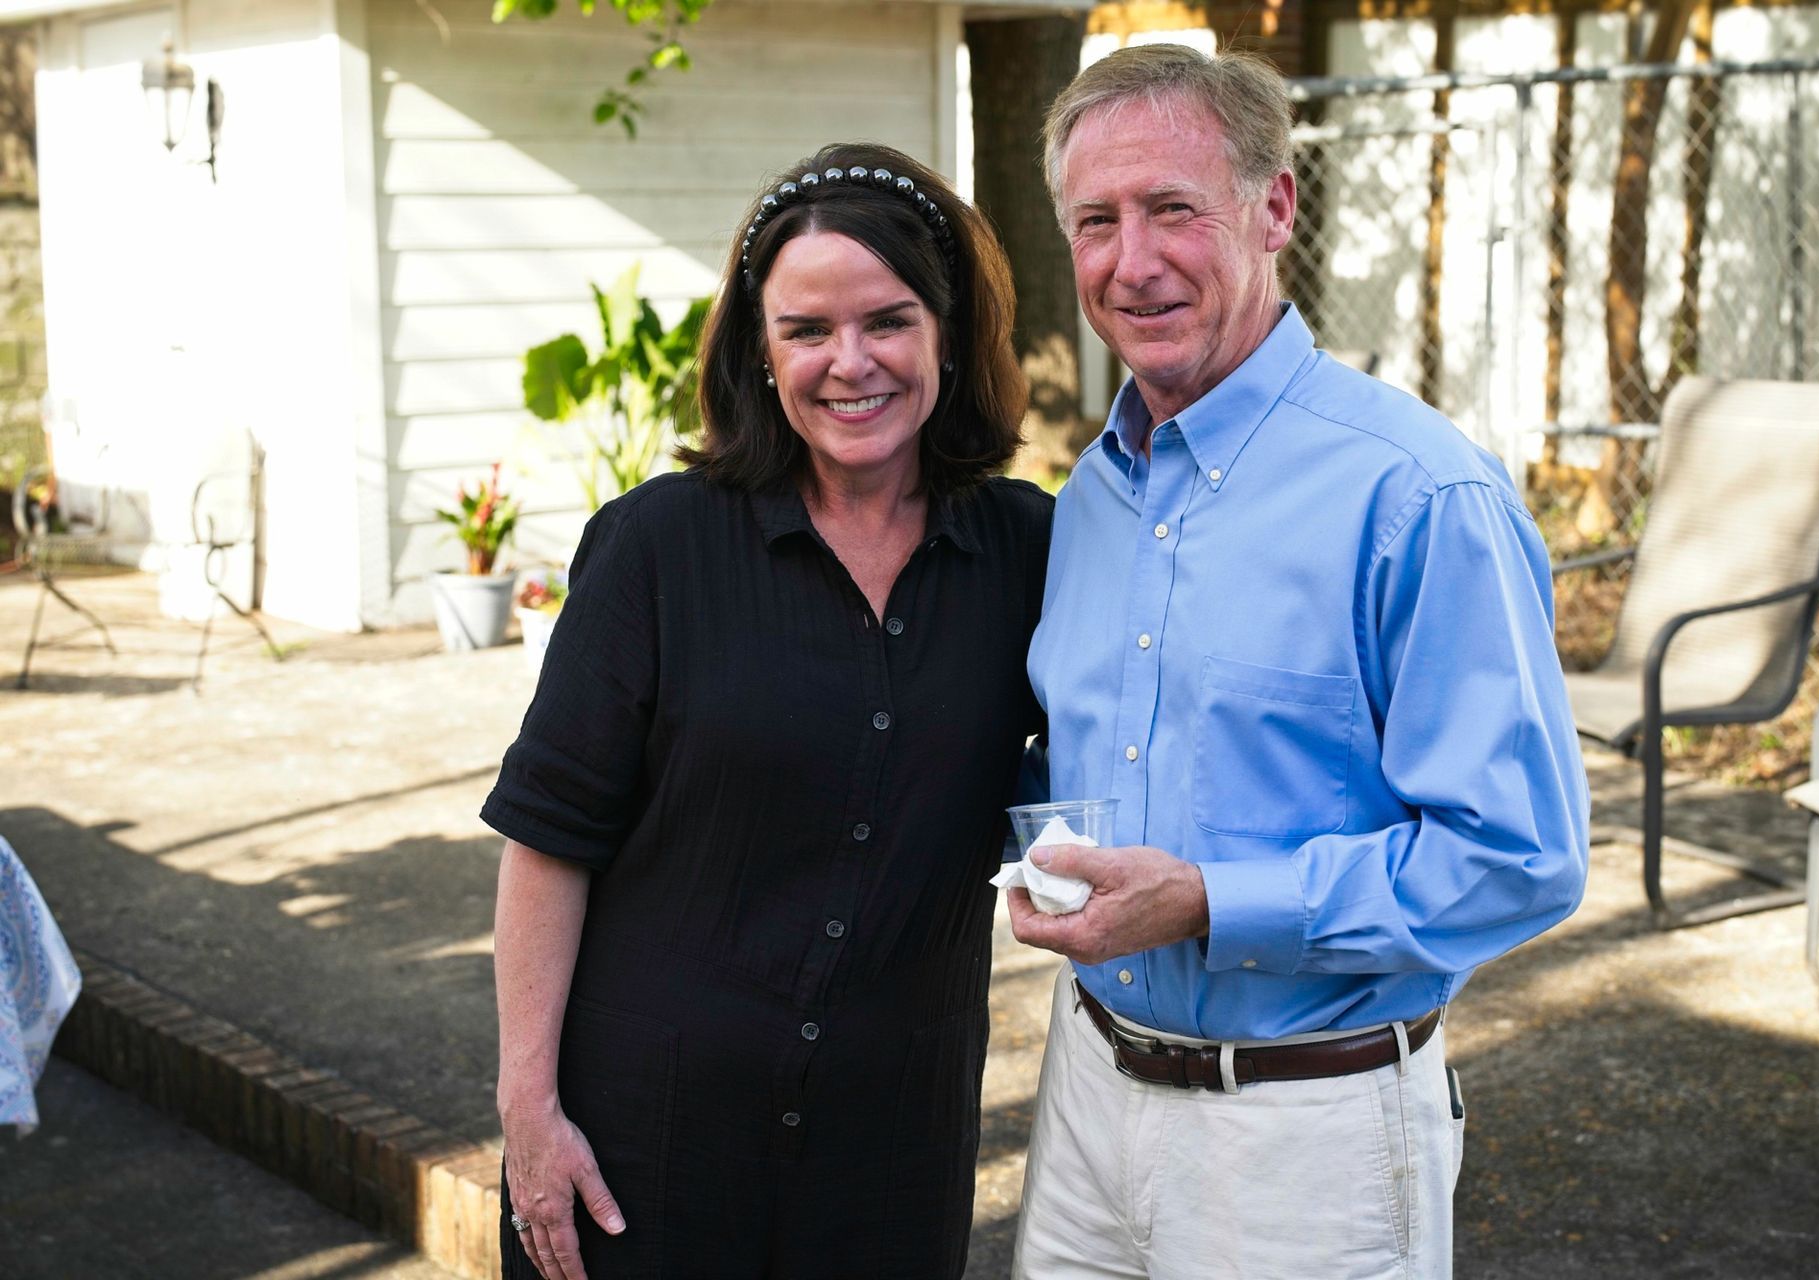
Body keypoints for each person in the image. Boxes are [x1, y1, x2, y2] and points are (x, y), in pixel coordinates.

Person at [1007, 45, 1589, 1278]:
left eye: (1175, 208)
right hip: (1085, 1095)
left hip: (1305, 1137)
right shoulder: (1089, 503)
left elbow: (1518, 857)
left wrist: (1213, 900)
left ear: (1274, 208)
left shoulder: (1417, 494)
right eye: (1096, 221)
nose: (1133, 260)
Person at [483, 143, 1049, 1280]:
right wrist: (529, 1113)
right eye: (807, 330)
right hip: (645, 1145)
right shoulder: (656, 547)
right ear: (760, 347)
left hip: (893, 1152)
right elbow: (549, 838)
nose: (852, 363)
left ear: (947, 330)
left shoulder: (1031, 552)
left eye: (889, 321)